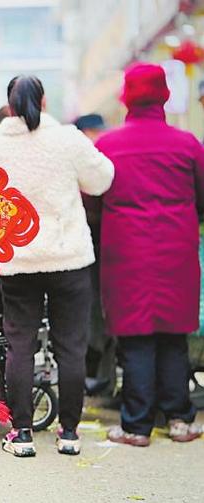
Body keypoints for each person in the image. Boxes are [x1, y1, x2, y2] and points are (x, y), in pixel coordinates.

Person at [0, 75, 114, 458]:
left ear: (9, 105)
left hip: (18, 259)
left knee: (19, 346)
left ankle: (21, 434)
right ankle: (69, 433)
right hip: (68, 258)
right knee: (70, 348)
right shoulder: (68, 139)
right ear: (43, 101)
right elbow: (103, 179)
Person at [96, 63, 204, 447]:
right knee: (174, 336)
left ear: (126, 96)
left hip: (126, 255)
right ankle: (180, 418)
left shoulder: (107, 146)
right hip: (176, 253)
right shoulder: (188, 144)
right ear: (164, 95)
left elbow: (92, 201)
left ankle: (137, 425)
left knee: (136, 337)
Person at [75, 113, 115, 397]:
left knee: (100, 314)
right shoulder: (83, 157)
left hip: (102, 249)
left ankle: (100, 374)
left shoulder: (102, 155)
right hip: (91, 250)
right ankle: (94, 373)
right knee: (93, 314)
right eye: (93, 131)